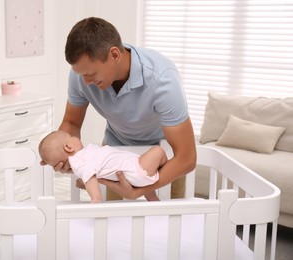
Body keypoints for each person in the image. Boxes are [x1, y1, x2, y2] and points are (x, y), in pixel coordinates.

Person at [44, 17, 196, 200]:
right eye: (81, 75)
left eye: (91, 74)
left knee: (169, 218)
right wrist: (65, 154)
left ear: (114, 55)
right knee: (113, 221)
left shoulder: (163, 80)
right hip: (115, 151)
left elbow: (187, 158)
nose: (85, 83)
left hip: (163, 151)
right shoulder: (80, 77)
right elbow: (71, 122)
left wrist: (138, 190)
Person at [38, 130, 167, 203]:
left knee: (146, 175)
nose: (76, 137)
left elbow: (89, 175)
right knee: (158, 151)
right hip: (135, 169)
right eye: (72, 137)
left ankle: (153, 199)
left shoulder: (82, 160)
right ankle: (158, 180)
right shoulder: (79, 159)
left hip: (131, 175)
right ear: (68, 147)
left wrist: (48, 160)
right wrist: (96, 198)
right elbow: (90, 179)